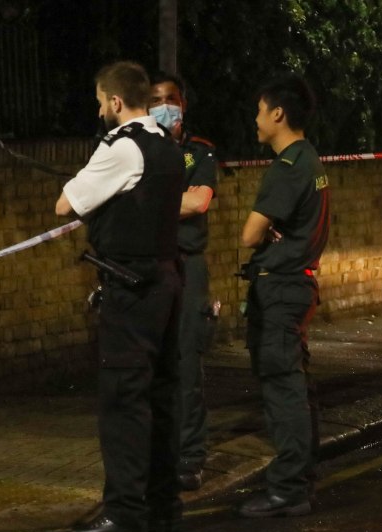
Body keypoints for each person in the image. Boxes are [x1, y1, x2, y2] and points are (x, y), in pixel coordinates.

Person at [54, 61, 185, 532]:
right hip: (168, 280)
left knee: (123, 399)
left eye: (99, 100)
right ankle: (163, 507)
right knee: (161, 397)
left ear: (114, 102)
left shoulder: (123, 146)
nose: (98, 108)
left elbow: (66, 204)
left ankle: (125, 509)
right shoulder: (168, 147)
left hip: (132, 288)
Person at [237, 73, 331, 518]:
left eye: (260, 111)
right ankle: (300, 479)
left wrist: (264, 234)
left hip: (281, 286)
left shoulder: (288, 166)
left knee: (282, 388)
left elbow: (248, 235)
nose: (255, 120)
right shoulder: (310, 159)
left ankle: (288, 487)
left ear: (277, 113)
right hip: (298, 283)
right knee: (295, 385)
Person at [149, 72, 219, 492]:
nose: (163, 106)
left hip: (188, 266)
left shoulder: (199, 152)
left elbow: (199, 201)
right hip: (152, 267)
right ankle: (158, 453)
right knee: (153, 365)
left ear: (184, 103)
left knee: (187, 365)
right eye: (155, 99)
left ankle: (191, 456)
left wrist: (144, 204)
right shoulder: (140, 149)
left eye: (170, 98)